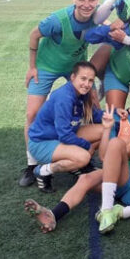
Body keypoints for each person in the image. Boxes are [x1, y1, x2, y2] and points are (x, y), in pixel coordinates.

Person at [24, 96, 130, 234]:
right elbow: (125, 153)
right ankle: (54, 214)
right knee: (111, 149)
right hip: (124, 175)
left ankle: (119, 212)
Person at [19, 0, 100, 187]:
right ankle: (32, 164)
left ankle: (78, 157)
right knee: (32, 113)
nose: (87, 4)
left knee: (93, 103)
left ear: (97, 1)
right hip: (47, 65)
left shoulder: (97, 17)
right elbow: (33, 35)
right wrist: (32, 66)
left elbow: (110, 25)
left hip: (75, 67)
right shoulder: (56, 20)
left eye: (91, 0)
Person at [27, 62, 105, 193]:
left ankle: (74, 163)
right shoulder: (64, 97)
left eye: (91, 80)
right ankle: (42, 171)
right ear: (73, 77)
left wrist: (116, 115)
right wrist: (87, 146)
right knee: (84, 157)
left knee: (104, 130)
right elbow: (65, 135)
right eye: (83, 79)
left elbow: (95, 115)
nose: (87, 84)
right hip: (42, 142)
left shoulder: (82, 93)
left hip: (60, 136)